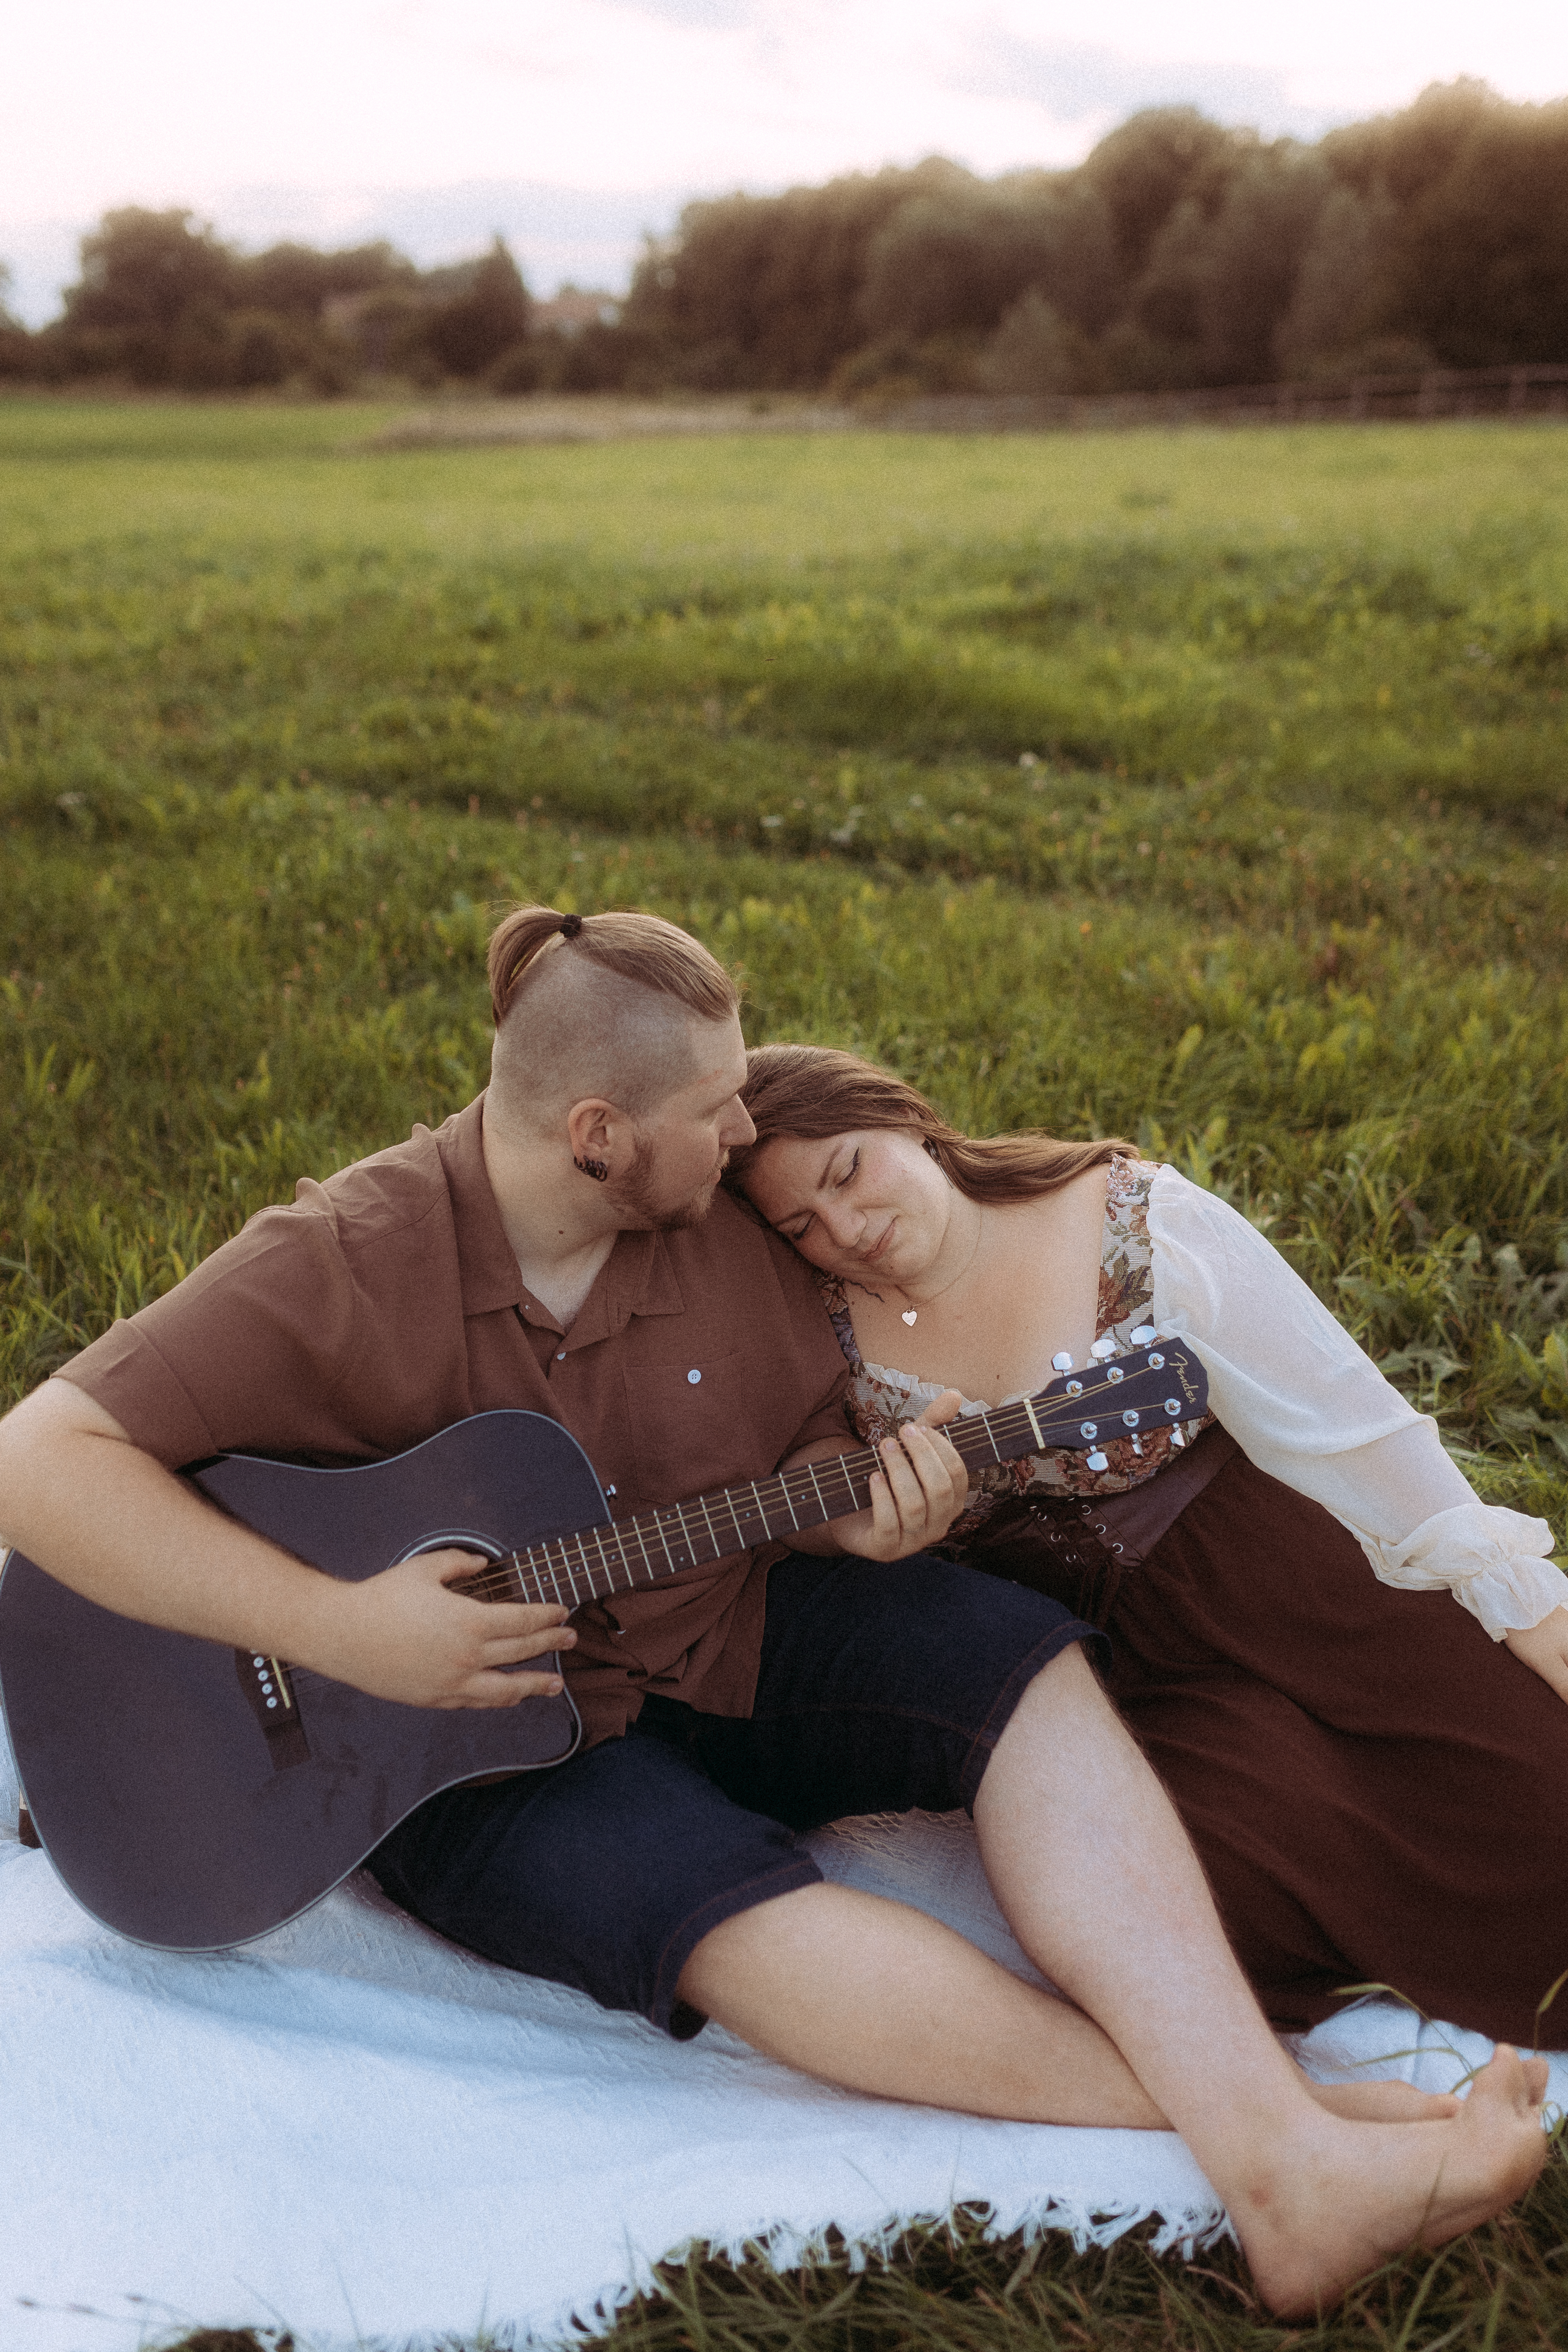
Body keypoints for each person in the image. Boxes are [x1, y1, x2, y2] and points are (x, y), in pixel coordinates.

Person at [0, 907, 1548, 2320]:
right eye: (714, 1110)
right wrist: (340, 1633)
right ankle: (1284, 2130)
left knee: (1008, 1662)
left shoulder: (726, 1231)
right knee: (720, 1911)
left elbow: (849, 1386)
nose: (750, 1133)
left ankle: (1275, 2152)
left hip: (716, 1622)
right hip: (438, 1737)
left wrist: (883, 1497)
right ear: (599, 1136)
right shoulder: (347, 1261)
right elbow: (39, 1459)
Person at [729, 1041, 1568, 2057]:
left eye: (848, 1170)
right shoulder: (821, 1327)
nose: (847, 1228)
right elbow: (787, 1467)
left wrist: (1526, 1607)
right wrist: (869, 1522)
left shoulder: (1130, 1218)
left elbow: (1355, 1429)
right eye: (801, 1225)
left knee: (1534, 1795)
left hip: (1287, 1588)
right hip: (1118, 1669)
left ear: (904, 1116)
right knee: (1207, 1905)